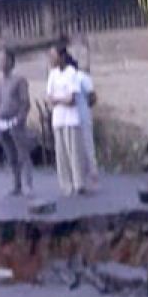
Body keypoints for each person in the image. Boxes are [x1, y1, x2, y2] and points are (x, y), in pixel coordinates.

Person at [46, 45, 88, 195]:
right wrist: (60, 99)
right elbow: (50, 98)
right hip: (58, 119)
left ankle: (79, 184)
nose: (51, 59)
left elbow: (71, 100)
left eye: (53, 55)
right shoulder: (52, 74)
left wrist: (58, 99)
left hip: (71, 119)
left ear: (62, 56)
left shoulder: (71, 73)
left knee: (74, 153)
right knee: (61, 154)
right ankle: (66, 185)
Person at [0, 48, 34, 196]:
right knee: (10, 155)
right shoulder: (0, 82)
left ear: (11, 62)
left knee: (22, 153)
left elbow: (25, 102)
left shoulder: (19, 80)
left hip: (15, 122)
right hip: (3, 122)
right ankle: (16, 184)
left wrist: (20, 119)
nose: (1, 63)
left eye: (4, 60)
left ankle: (28, 184)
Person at [65, 53, 100, 186]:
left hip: (82, 117)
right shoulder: (65, 79)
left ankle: (92, 174)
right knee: (76, 148)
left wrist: (85, 108)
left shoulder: (82, 77)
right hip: (70, 118)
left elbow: (92, 97)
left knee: (86, 146)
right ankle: (79, 177)